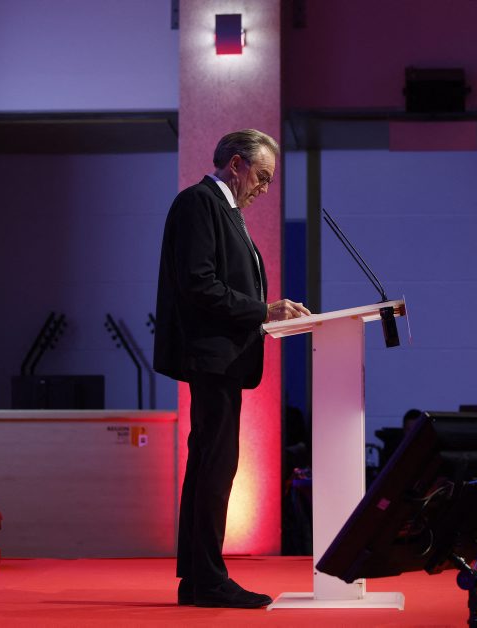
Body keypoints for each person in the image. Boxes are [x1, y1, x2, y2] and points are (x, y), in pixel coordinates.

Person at [153, 129, 310, 609]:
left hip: (222, 357)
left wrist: (265, 313)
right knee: (215, 465)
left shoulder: (223, 210)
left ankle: (197, 578)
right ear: (236, 164)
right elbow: (198, 284)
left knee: (210, 463)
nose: (264, 188)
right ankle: (208, 579)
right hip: (211, 356)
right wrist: (264, 310)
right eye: (262, 176)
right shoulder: (199, 203)